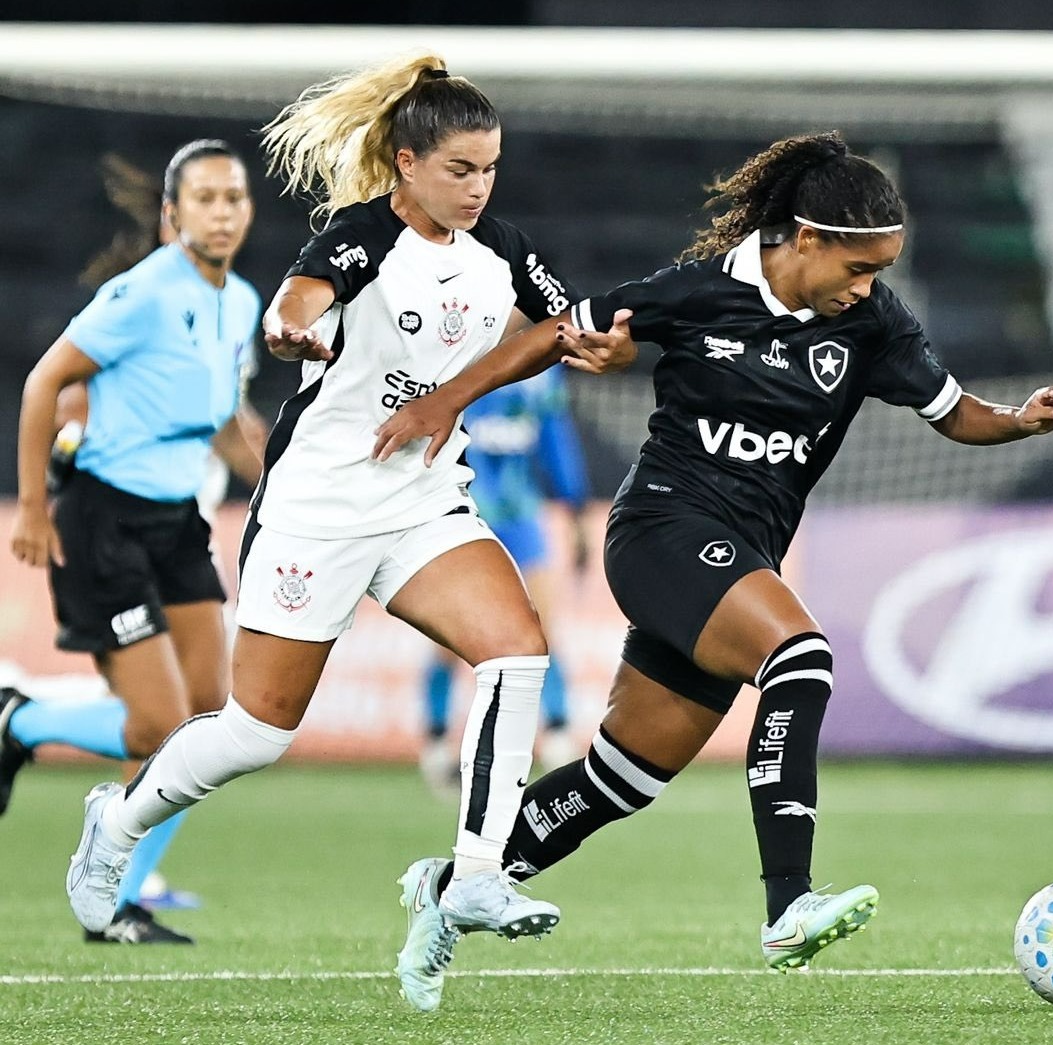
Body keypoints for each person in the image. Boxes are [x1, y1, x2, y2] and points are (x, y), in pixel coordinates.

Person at [379, 131, 1053, 1009]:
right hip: (663, 529)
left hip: (741, 554)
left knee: (623, 775)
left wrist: (1018, 419)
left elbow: (952, 413)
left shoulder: (870, 321)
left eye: (880, 271)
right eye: (858, 266)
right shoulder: (697, 291)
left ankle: (449, 887)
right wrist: (452, 399)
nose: (868, 287)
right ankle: (788, 904)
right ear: (807, 239)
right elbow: (560, 333)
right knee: (803, 659)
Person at [58, 52, 633, 1009]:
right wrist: (293, 333)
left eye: (490, 168)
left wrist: (527, 367)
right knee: (255, 732)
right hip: (319, 507)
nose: (479, 187)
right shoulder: (359, 238)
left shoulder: (501, 246)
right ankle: (115, 823)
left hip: (418, 501)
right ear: (405, 163)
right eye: (460, 169)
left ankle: (477, 872)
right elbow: (295, 306)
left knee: (517, 650)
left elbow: (552, 323)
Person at [7, 139, 262, 944]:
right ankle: (17, 719)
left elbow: (220, 416)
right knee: (156, 726)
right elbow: (45, 380)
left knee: (212, 719)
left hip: (175, 521)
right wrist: (35, 510)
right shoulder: (145, 293)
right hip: (102, 518)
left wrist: (275, 481)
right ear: (172, 214)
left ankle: (119, 895)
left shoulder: (244, 302)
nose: (222, 211)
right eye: (206, 198)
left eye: (234, 197)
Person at [419, 365, 590, 792]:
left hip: (521, 513)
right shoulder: (461, 353)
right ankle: (436, 741)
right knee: (448, 637)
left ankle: (557, 736)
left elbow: (555, 438)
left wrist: (575, 509)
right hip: (464, 511)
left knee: (543, 628)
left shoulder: (542, 373)